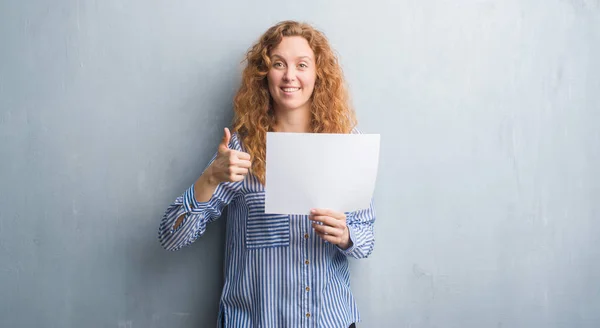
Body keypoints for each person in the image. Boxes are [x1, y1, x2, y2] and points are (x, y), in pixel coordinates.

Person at [158, 20, 376, 328]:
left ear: (318, 74)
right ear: (265, 73)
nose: (290, 75)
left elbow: (366, 237)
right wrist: (210, 177)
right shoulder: (240, 149)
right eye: (278, 64)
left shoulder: (346, 145)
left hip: (331, 320)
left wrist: (346, 235)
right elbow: (171, 237)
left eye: (302, 65)